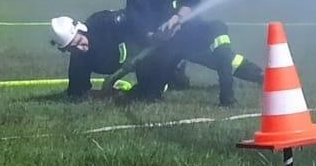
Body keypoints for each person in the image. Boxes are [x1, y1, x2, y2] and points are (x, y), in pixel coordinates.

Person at [50, 11, 263, 103]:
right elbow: (78, 94)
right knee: (150, 92)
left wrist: (153, 37)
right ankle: (174, 76)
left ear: (82, 29)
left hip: (157, 45)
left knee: (212, 57)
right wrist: (103, 92)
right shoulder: (78, 61)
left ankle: (260, 75)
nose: (81, 49)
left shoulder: (105, 23)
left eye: (79, 42)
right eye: (72, 49)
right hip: (148, 66)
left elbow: (136, 19)